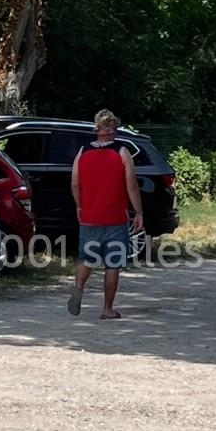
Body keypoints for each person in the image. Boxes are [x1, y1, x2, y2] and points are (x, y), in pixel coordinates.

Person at [67, 110, 144, 320]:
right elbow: (132, 185)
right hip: (116, 218)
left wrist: (79, 206)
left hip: (89, 216)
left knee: (88, 258)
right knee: (113, 264)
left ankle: (78, 286)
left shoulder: (82, 152)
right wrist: (138, 212)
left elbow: (75, 182)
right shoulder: (121, 152)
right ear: (114, 129)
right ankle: (107, 309)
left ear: (97, 128)